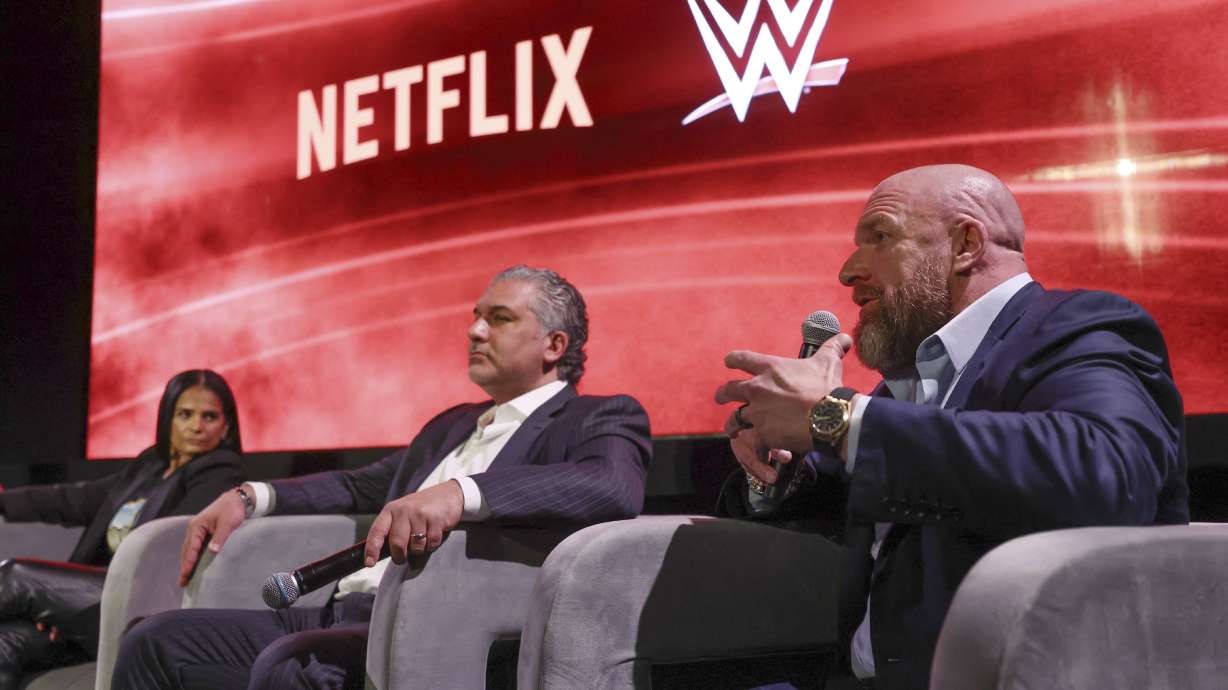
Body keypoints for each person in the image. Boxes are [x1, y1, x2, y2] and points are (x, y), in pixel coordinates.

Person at [714, 164, 1188, 690]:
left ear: (965, 243)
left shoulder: (1079, 327)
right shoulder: (906, 387)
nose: (848, 271)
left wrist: (837, 417)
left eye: (880, 237)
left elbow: (1105, 471)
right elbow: (864, 494)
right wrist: (775, 467)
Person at [113, 265, 653, 690]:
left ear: (554, 346)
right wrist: (250, 495)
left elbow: (610, 486)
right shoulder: (452, 425)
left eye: (500, 318)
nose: (475, 330)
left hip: (426, 625)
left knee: (289, 668)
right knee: (152, 640)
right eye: (475, 315)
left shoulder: (599, 416)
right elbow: (361, 485)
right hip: (341, 612)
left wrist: (461, 493)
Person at [0, 369, 245, 689]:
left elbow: (167, 543)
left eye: (209, 417)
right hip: (87, 595)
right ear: (167, 418)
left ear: (226, 427)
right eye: (185, 414)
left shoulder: (220, 471)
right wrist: (4, 501)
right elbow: (80, 498)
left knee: (16, 576)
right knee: (8, 640)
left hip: (139, 599)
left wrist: (60, 608)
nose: (197, 427)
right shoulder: (150, 465)